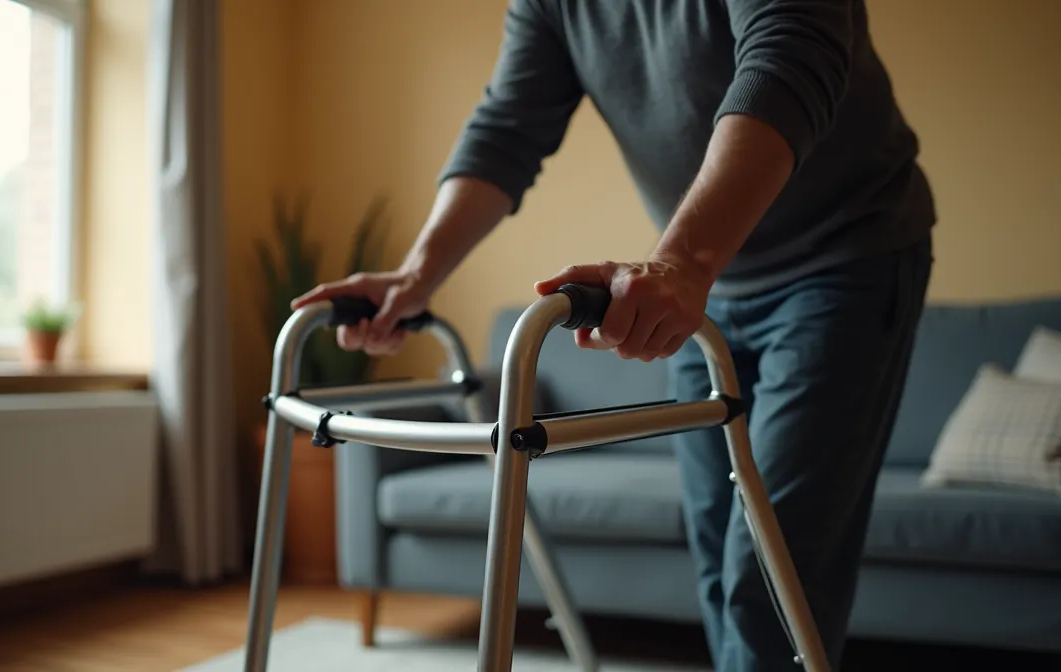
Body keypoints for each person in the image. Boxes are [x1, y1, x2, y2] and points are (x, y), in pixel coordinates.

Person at [293, 0, 935, 669]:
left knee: (774, 563)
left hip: (843, 262)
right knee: (717, 548)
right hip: (708, 292)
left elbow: (791, 54)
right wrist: (415, 274)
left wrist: (682, 264)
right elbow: (508, 127)